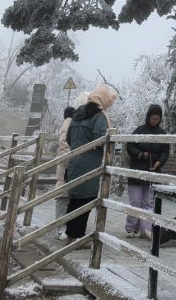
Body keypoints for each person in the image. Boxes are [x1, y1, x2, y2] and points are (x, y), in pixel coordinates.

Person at [65, 84, 117, 244]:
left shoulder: (78, 114)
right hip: (90, 166)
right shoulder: (99, 116)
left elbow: (68, 138)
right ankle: (77, 238)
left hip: (74, 164)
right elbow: (101, 140)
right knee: (86, 201)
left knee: (75, 200)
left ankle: (71, 235)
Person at [125, 103, 170, 239]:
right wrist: (140, 154)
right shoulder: (139, 130)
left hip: (153, 172)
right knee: (135, 202)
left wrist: (159, 162)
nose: (155, 121)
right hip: (136, 172)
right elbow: (130, 146)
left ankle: (146, 229)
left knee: (148, 202)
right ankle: (131, 228)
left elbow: (165, 151)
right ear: (148, 117)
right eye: (153, 118)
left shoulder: (162, 133)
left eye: (157, 119)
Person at [54, 105, 76, 238]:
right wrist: (73, 158)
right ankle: (60, 228)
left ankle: (61, 227)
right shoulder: (69, 124)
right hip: (67, 165)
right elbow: (65, 145)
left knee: (64, 196)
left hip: (65, 164)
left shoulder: (66, 123)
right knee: (63, 196)